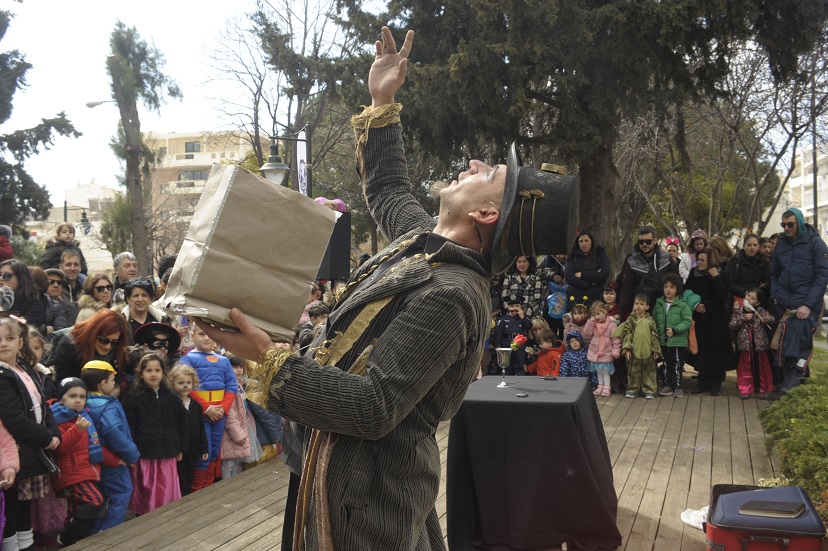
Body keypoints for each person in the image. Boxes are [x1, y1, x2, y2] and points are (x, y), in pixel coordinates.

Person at [196, 26, 578, 551]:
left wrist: (269, 359)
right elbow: (389, 188)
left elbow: (374, 406)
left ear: (487, 214)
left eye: (487, 172)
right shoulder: (422, 241)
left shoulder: (453, 295)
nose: (472, 164)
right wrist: (382, 102)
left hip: (368, 504)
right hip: (325, 472)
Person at [0, 317, 61, 551]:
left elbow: (43, 406)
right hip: (14, 452)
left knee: (24, 507)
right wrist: (46, 438)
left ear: (20, 342)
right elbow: (14, 419)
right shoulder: (2, 376)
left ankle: (26, 546)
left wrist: (54, 433)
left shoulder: (25, 368)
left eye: (10, 338)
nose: (3, 344)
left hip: (32, 450)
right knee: (11, 508)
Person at [49, 377, 118, 546]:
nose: (78, 400)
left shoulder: (84, 416)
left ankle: (69, 541)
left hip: (86, 471)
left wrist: (116, 461)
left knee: (75, 510)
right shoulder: (56, 419)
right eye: (72, 396)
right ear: (61, 398)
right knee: (95, 500)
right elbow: (60, 447)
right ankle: (66, 537)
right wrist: (77, 429)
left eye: (82, 396)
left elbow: (95, 445)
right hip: (71, 474)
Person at [769, 208, 828, 398]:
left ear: (800, 223)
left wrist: (808, 305)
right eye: (783, 225)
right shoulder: (781, 244)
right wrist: (775, 295)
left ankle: (788, 392)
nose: (786, 228)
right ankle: (798, 390)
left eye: (790, 224)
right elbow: (774, 273)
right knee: (784, 348)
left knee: (798, 349)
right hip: (784, 305)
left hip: (805, 307)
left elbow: (822, 277)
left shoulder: (816, 244)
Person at [122, 352, 186, 514]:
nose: (153, 374)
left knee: (166, 491)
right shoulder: (133, 398)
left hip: (167, 453)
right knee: (147, 493)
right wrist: (131, 452)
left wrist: (179, 447)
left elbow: (180, 424)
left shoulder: (172, 397)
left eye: (157, 370)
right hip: (145, 455)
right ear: (141, 374)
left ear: (163, 373)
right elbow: (129, 428)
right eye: (148, 370)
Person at [81, 360, 139, 533]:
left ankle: (96, 530)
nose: (114, 384)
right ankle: (110, 532)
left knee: (103, 497)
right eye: (113, 380)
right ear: (103, 384)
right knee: (121, 493)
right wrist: (132, 455)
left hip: (99, 460)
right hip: (115, 462)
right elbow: (115, 434)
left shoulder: (85, 403)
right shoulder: (106, 407)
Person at [178, 325, 237, 491]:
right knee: (203, 453)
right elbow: (186, 387)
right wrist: (206, 408)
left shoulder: (224, 360)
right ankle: (197, 490)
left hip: (219, 414)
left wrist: (223, 408)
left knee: (214, 453)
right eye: (202, 334)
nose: (206, 338)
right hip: (199, 415)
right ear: (192, 336)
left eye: (210, 334)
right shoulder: (187, 359)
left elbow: (232, 385)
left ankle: (209, 488)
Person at [684, 249, 734, 396]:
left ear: (710, 261)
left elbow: (723, 295)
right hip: (700, 317)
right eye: (698, 259)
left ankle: (716, 383)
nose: (699, 263)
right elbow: (687, 291)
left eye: (703, 260)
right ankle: (702, 382)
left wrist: (715, 277)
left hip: (717, 317)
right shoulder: (694, 273)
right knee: (702, 348)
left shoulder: (721, 274)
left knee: (716, 348)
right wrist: (695, 305)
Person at [53, 310, 129, 386]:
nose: (108, 346)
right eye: (103, 340)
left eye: (114, 342)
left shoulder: (118, 348)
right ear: (93, 333)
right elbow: (63, 384)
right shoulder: (69, 346)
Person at [619, 226, 678, 320]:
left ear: (655, 240)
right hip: (640, 310)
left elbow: (677, 282)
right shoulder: (631, 260)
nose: (644, 244)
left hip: (662, 308)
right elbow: (626, 288)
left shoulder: (666, 258)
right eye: (641, 242)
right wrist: (620, 312)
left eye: (648, 241)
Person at [166, 363, 208, 496]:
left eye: (188, 383)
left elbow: (201, 428)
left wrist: (204, 448)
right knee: (179, 476)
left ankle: (187, 497)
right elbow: (170, 429)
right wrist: (176, 449)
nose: (185, 386)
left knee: (190, 474)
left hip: (193, 448)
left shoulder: (196, 405)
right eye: (181, 383)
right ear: (172, 384)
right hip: (179, 450)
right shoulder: (172, 405)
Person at [652, 273, 695, 397]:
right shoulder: (659, 304)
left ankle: (677, 386)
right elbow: (654, 320)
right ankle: (667, 385)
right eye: (666, 287)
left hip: (678, 340)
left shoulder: (682, 304)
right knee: (666, 363)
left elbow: (687, 321)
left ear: (677, 289)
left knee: (677, 363)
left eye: (672, 287)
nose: (668, 289)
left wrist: (675, 330)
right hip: (663, 340)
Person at [729, 289, 775, 399]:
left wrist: (765, 319)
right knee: (745, 367)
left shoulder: (761, 311)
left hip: (759, 345)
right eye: (748, 296)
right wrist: (743, 318)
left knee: (761, 368)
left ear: (757, 303)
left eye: (753, 298)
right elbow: (731, 325)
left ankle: (762, 388)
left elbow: (772, 319)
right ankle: (745, 388)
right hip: (745, 346)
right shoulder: (739, 311)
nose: (749, 299)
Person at [614, 294, 660, 399]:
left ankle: (650, 390)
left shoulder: (650, 320)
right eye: (636, 303)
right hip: (634, 351)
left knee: (649, 371)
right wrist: (627, 349)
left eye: (641, 304)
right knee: (633, 371)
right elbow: (627, 333)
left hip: (648, 351)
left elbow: (654, 335)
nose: (638, 306)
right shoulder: (631, 319)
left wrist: (656, 350)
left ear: (647, 307)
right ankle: (632, 389)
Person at [220, 356, 256, 480]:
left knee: (237, 463)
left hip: (240, 429)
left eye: (241, 367)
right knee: (228, 464)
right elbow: (229, 414)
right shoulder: (228, 387)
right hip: (231, 433)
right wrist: (238, 434)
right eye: (235, 367)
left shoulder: (239, 385)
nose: (239, 370)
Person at [564, 229, 610, 312]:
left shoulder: (600, 254)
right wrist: (589, 283)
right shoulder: (573, 256)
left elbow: (604, 274)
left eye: (586, 241)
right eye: (581, 241)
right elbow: (569, 278)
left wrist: (582, 275)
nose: (583, 244)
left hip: (595, 299)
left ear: (591, 241)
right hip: (575, 300)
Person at [583, 301, 620, 397]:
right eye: (594, 314)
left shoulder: (612, 324)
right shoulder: (593, 324)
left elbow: (616, 338)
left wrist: (616, 351)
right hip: (595, 351)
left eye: (598, 314)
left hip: (606, 352)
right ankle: (600, 386)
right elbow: (587, 334)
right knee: (598, 371)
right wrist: (590, 322)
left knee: (605, 371)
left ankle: (607, 387)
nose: (596, 317)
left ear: (605, 312)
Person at [0, 260, 48, 332]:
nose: (1, 278)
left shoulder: (32, 303)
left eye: (7, 276)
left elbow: (32, 330)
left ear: (20, 279)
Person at [491, 294, 533, 375]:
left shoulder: (522, 318)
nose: (514, 308)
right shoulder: (503, 319)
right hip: (506, 344)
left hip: (519, 346)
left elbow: (529, 326)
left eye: (517, 306)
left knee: (519, 367)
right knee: (507, 367)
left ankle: (520, 381)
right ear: (508, 307)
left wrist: (523, 317)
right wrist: (498, 347)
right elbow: (498, 334)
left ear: (520, 307)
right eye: (512, 306)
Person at [725, 234, 770, 305]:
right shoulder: (735, 261)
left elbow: (767, 282)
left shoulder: (764, 262)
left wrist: (758, 293)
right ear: (743, 246)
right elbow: (728, 282)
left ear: (758, 247)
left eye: (755, 245)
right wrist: (745, 292)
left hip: (756, 301)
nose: (752, 248)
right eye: (749, 245)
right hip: (736, 300)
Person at [121, 278, 167, 342]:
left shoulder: (161, 320)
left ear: (151, 299)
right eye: (136, 296)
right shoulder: (121, 323)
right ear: (128, 299)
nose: (140, 299)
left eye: (144, 295)